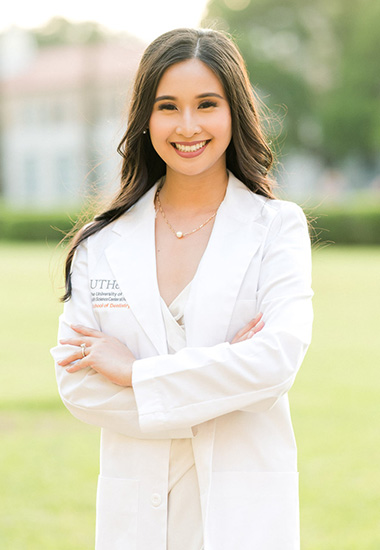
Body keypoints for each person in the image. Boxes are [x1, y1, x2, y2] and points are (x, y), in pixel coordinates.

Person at [51, 28, 313, 550]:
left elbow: (277, 361)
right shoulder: (101, 245)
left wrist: (135, 375)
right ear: (145, 119)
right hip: (137, 519)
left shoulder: (276, 228)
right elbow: (79, 387)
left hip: (244, 515)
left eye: (206, 104)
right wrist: (224, 380)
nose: (188, 125)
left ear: (234, 112)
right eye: (168, 106)